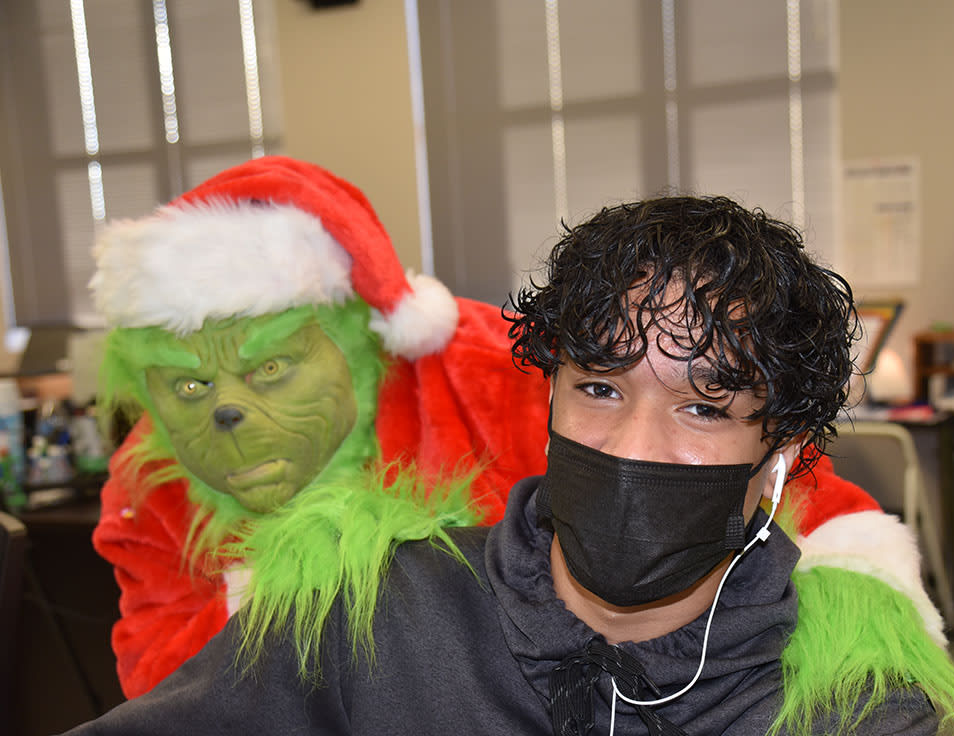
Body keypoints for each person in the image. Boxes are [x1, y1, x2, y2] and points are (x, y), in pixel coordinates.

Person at [1, 195, 954, 736]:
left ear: (777, 454)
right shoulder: (380, 609)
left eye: (703, 408)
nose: (632, 444)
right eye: (600, 388)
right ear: (549, 397)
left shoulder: (850, 700)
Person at [86, 157, 883, 702]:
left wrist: (863, 588)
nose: (223, 409)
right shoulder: (152, 482)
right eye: (188, 385)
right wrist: (279, 613)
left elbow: (753, 451)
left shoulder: (476, 369)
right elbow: (162, 700)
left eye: (270, 368)